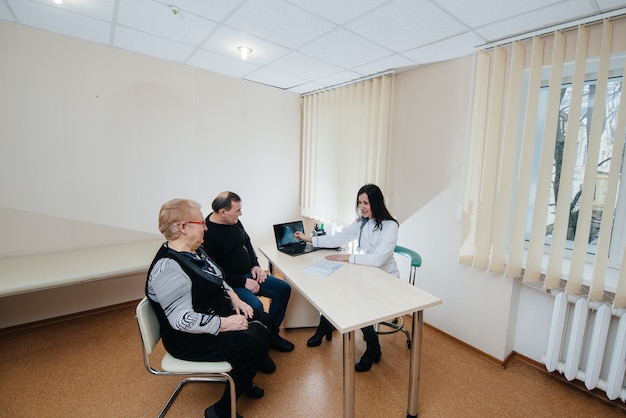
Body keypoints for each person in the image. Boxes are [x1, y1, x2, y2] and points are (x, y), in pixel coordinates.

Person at [146, 198, 274, 418]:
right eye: (200, 222)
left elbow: (217, 275)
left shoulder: (195, 250)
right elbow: (182, 320)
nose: (206, 226)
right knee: (253, 345)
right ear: (183, 227)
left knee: (263, 321)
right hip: (187, 339)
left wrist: (235, 298)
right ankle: (220, 411)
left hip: (211, 315)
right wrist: (226, 323)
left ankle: (242, 379)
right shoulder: (168, 268)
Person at [294, 184, 399, 372]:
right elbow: (338, 238)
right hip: (365, 273)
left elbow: (378, 259)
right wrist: (309, 239)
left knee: (358, 302)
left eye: (366, 203)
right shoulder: (361, 222)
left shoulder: (391, 226)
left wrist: (347, 257)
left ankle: (373, 347)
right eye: (360, 202)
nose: (362, 207)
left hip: (385, 279)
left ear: (376, 202)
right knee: (332, 285)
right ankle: (325, 325)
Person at [203, 191, 294, 353]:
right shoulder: (207, 233)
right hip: (231, 284)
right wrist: (244, 282)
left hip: (249, 273)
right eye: (237, 210)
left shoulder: (234, 221)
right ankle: (262, 339)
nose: (241, 213)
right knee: (255, 306)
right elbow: (214, 271)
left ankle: (271, 334)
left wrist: (256, 265)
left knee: (283, 289)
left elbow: (246, 242)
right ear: (223, 212)